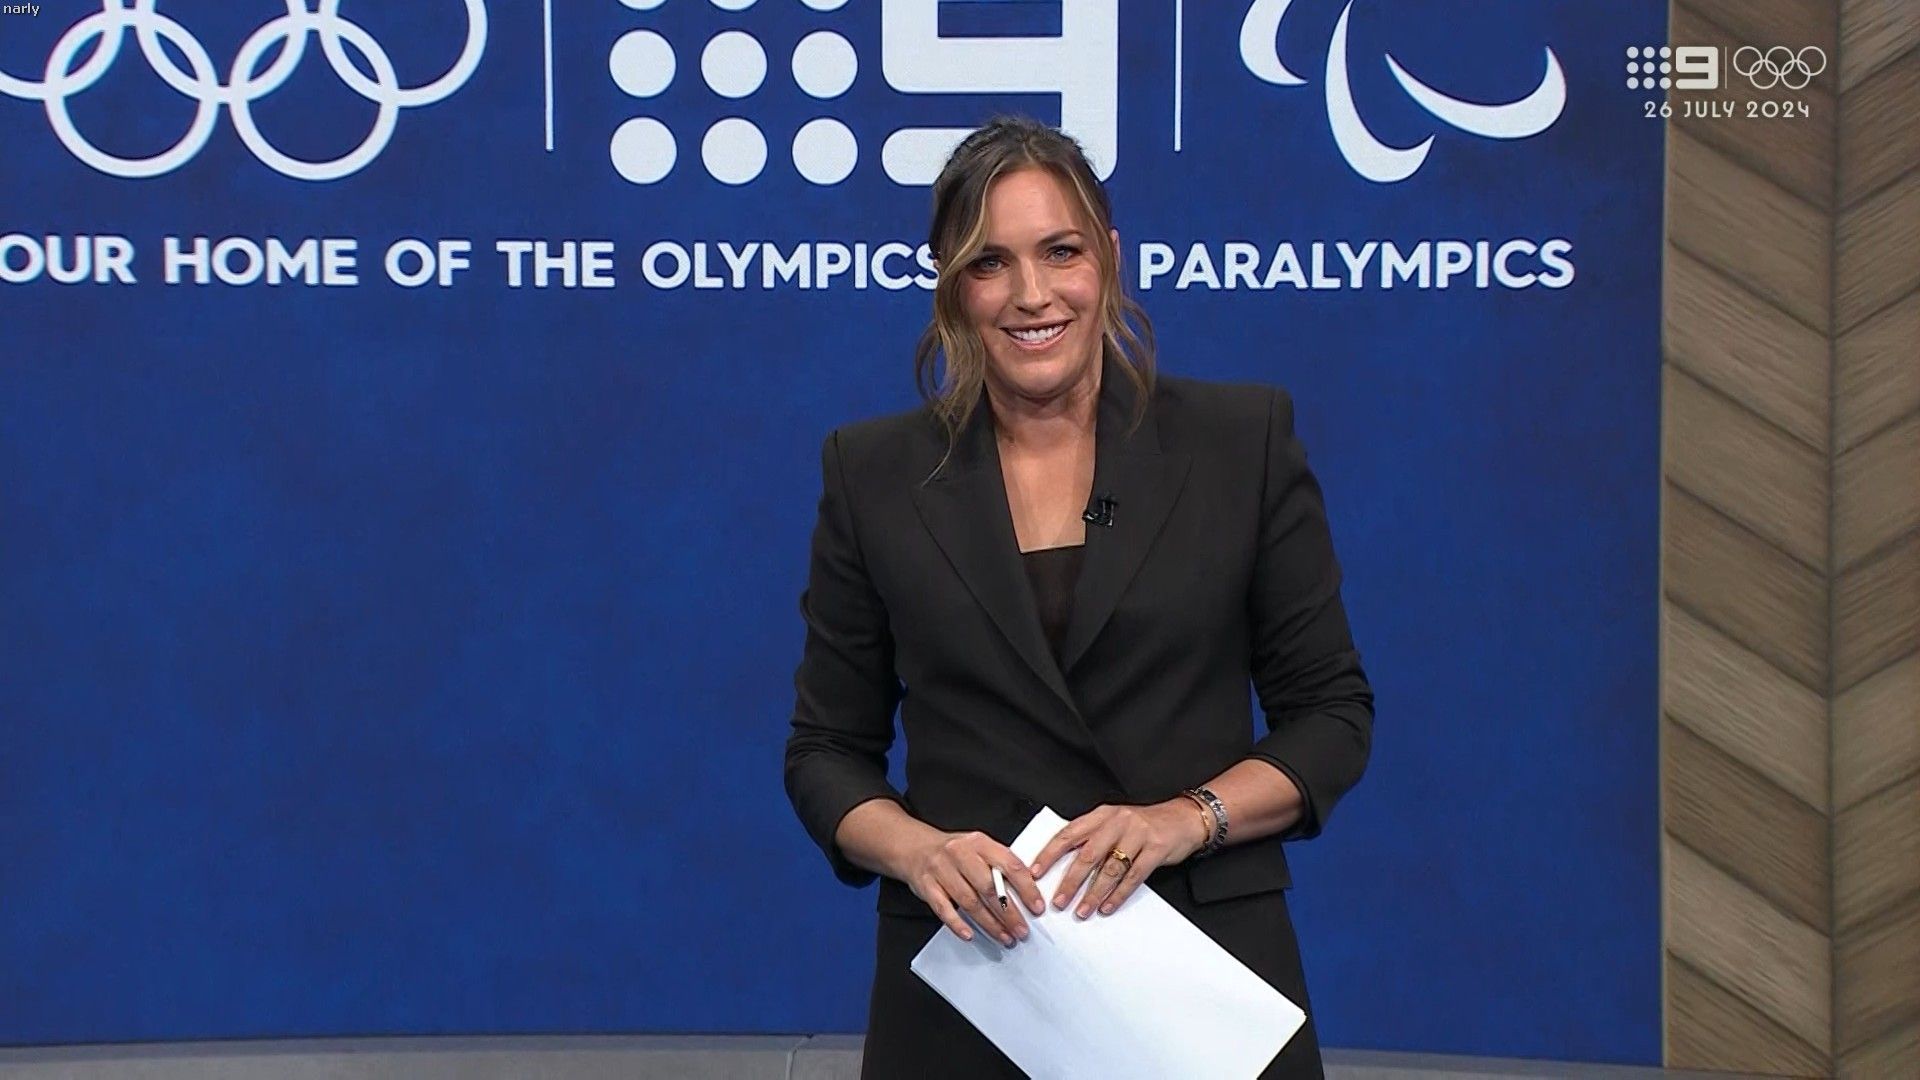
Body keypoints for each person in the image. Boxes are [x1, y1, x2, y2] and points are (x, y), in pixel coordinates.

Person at [783, 116, 1373, 1079]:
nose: (1032, 294)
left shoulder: (1240, 443)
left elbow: (1332, 719)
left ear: (1110, 257)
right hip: (976, 979)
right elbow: (825, 753)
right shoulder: (874, 473)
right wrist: (921, 852)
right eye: (990, 263)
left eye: (1061, 251)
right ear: (952, 288)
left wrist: (1186, 817)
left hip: (1198, 981)